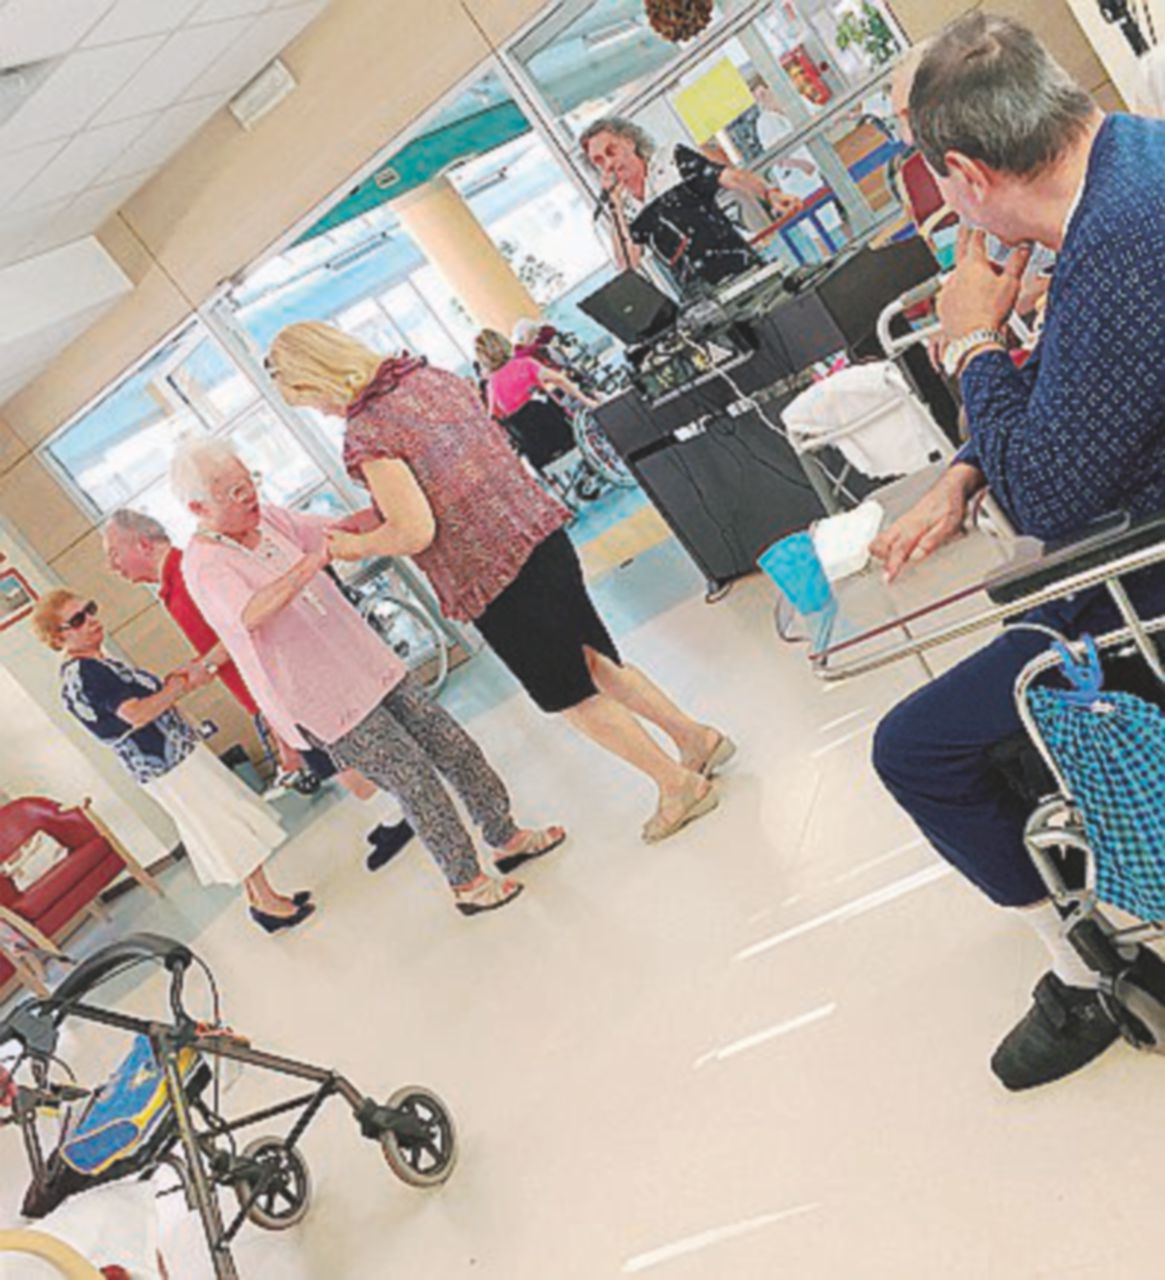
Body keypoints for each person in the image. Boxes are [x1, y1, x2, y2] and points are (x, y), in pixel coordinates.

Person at [868, 14, 1165, 1091]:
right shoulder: (1132, 159)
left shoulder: (1122, 242)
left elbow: (1043, 488)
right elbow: (1091, 390)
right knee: (1016, 636)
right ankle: (1101, 857)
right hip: (1128, 528)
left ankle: (1089, 969)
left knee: (916, 747)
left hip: (1142, 565)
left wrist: (968, 338)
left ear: (962, 171)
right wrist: (962, 469)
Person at [265, 322, 733, 842]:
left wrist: (353, 546)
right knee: (599, 662)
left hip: (495, 577)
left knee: (572, 697)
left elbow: (416, 530)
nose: (322, 412)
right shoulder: (428, 377)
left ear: (320, 378)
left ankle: (677, 787)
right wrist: (374, 516)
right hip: (539, 538)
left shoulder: (369, 431)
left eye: (310, 400)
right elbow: (448, 478)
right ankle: (696, 740)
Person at [172, 438, 562, 918]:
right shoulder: (204, 564)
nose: (249, 495)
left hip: (366, 663)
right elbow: (251, 613)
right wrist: (312, 562)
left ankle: (505, 836)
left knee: (452, 744)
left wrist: (388, 505)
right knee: (414, 780)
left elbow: (335, 531)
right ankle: (466, 882)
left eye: (248, 481)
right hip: (320, 700)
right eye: (234, 493)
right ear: (197, 507)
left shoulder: (269, 519)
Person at [102, 508, 415, 873]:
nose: (113, 567)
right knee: (334, 762)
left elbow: (239, 628)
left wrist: (205, 666)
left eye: (114, 555)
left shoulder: (191, 574)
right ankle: (395, 812)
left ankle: (400, 813)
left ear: (141, 544)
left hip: (283, 688)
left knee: (340, 762)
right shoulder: (172, 584)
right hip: (264, 694)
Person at [30, 589, 313, 933]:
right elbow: (137, 714)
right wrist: (179, 686)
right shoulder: (87, 673)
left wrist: (172, 686)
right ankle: (267, 903)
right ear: (59, 636)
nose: (91, 620)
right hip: (168, 766)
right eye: (77, 620)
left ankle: (261, 898)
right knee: (222, 824)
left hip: (170, 761)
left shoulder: (95, 665)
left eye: (89, 610)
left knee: (222, 823)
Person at [580, 116, 800, 290]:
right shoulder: (624, 206)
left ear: (629, 142)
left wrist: (769, 193)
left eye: (612, 151)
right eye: (599, 160)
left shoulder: (672, 160)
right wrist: (615, 207)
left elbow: (729, 177)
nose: (608, 163)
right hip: (699, 296)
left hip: (738, 267)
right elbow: (628, 264)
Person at [474, 328, 601, 471]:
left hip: (539, 453)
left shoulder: (492, 386)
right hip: (564, 433)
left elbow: (494, 419)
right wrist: (587, 401)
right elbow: (560, 380)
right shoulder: (525, 364)